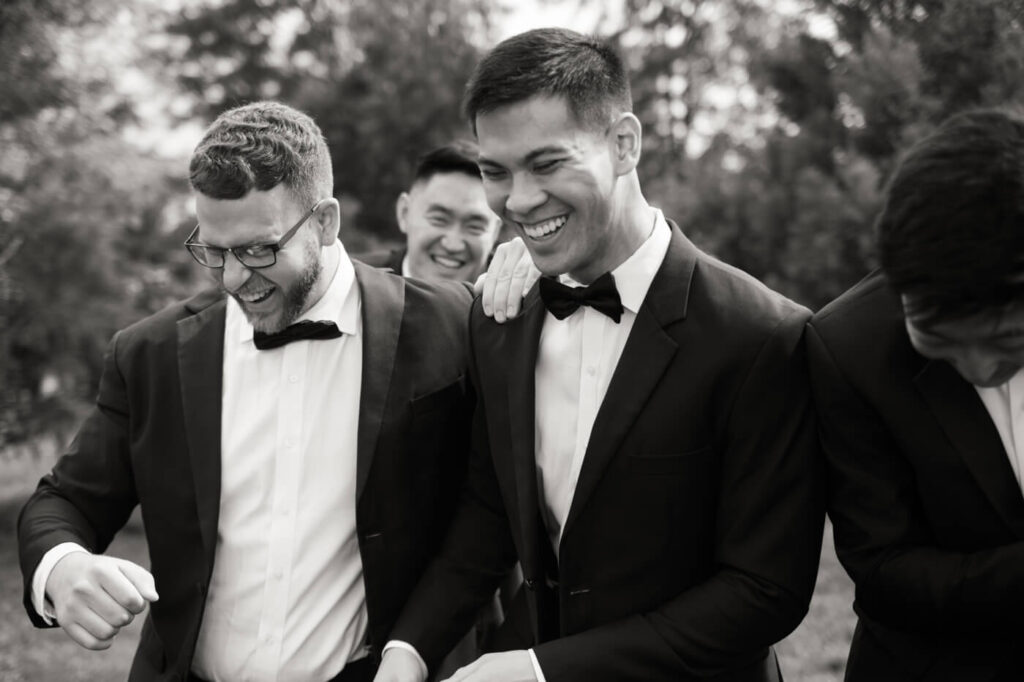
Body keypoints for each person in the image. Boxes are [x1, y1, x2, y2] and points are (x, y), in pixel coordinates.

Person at [377, 28, 824, 682]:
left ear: (624, 143)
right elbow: (491, 512)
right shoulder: (502, 319)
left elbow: (763, 592)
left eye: (548, 163)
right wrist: (408, 650)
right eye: (496, 172)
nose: (520, 201)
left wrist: (542, 671)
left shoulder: (762, 336)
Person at [17, 101, 476, 682]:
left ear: (325, 221)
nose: (235, 278)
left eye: (259, 249)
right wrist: (62, 567)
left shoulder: (449, 327)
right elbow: (63, 502)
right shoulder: (151, 354)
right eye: (213, 251)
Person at [806, 108, 1024, 682]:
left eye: (1007, 340)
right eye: (942, 341)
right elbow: (887, 571)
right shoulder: (846, 349)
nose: (981, 370)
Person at [358, 141, 502, 282]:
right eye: (439, 220)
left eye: (474, 227)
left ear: (495, 231)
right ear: (404, 213)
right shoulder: (352, 283)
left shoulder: (517, 296)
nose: (453, 245)